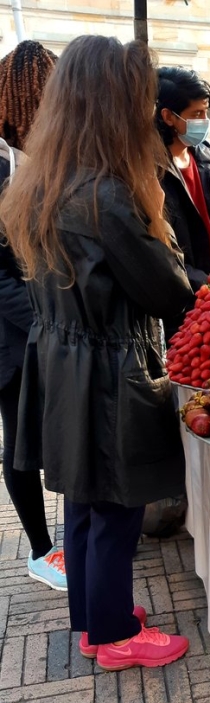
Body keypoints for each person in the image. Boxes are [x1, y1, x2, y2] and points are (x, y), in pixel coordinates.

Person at [0, 36, 193, 669]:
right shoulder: (108, 195)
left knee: (81, 499)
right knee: (116, 504)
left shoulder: (41, 182)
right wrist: (159, 222)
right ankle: (114, 637)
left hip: (60, 358)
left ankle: (94, 616)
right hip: (110, 366)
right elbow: (167, 291)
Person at [0, 40, 67, 591]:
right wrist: (44, 322)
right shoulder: (3, 164)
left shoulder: (33, 160)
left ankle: (58, 544)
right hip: (12, 333)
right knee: (18, 439)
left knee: (41, 432)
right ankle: (42, 552)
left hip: (37, 325)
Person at [156, 66, 210, 298]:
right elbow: (162, 246)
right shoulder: (151, 170)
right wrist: (203, 283)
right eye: (196, 114)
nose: (204, 121)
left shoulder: (203, 154)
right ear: (168, 117)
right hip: (185, 295)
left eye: (206, 112)